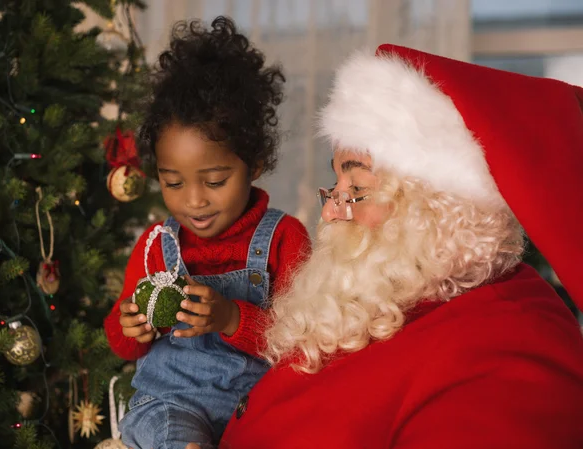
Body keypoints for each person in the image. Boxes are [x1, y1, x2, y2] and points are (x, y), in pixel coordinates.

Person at [213, 44, 583, 448]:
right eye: (335, 185)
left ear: (439, 208)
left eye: (356, 188)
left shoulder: (509, 357)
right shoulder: (390, 300)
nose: (331, 213)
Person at [103, 16, 311, 449]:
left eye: (214, 181)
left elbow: (303, 344)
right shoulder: (156, 245)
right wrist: (131, 327)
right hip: (170, 404)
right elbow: (123, 346)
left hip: (257, 407)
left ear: (252, 165)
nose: (193, 200)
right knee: (169, 433)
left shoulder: (284, 239)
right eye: (173, 183)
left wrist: (233, 318)